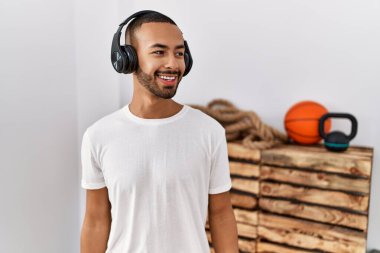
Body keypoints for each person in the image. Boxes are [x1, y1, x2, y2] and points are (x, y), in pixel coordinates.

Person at [80, 10, 239, 253]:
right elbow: (96, 221)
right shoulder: (98, 136)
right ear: (127, 59)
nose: (173, 64)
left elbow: (221, 215)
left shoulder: (209, 132)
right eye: (159, 52)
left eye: (179, 53)